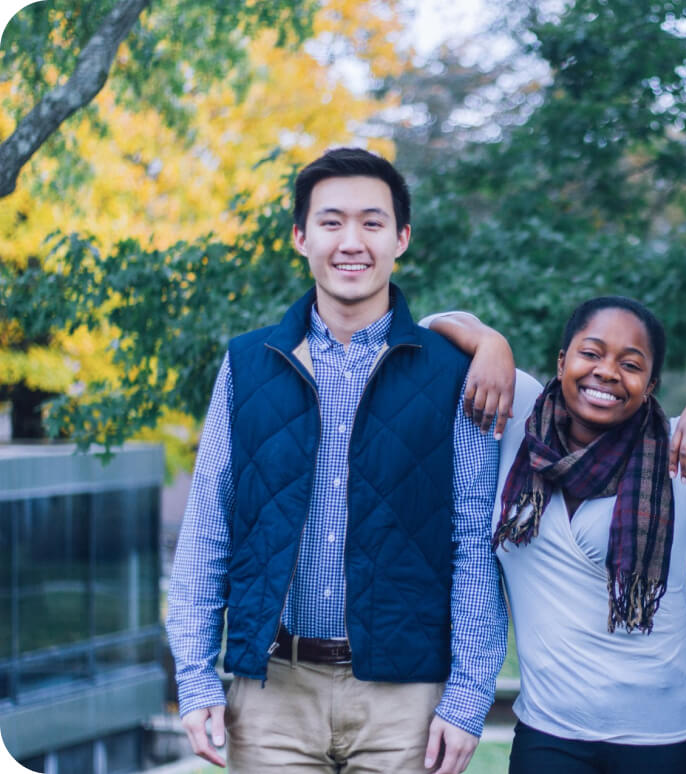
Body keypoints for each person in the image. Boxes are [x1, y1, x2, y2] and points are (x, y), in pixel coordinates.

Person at [165, 147, 507, 774]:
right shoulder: (246, 365)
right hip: (271, 695)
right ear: (301, 237)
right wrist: (194, 675)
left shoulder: (455, 372)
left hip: (405, 702)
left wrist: (467, 696)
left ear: (401, 238)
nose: (352, 242)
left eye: (372, 223)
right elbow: (209, 526)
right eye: (331, 222)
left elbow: (472, 543)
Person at [423, 297, 686, 774]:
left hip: (677, 735)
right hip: (551, 733)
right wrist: (490, 342)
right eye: (591, 353)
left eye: (631, 364)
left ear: (650, 386)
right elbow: (433, 324)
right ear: (562, 362)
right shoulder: (519, 414)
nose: (606, 372)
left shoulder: (682, 447)